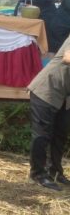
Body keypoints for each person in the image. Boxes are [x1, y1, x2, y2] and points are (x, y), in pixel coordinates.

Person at [27, 34, 70, 191]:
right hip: (46, 90)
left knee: (60, 134)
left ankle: (55, 172)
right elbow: (68, 57)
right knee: (42, 135)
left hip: (64, 96)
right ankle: (37, 174)